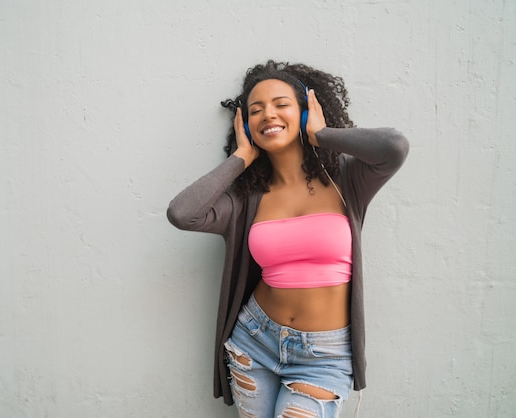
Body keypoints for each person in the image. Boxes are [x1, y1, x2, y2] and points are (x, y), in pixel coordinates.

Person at [166, 60, 409, 418]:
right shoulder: (247, 196)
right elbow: (183, 213)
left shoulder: (347, 178)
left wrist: (321, 134)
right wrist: (241, 157)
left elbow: (394, 146)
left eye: (281, 104)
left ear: (306, 110)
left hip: (325, 356)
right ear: (245, 124)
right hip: (255, 341)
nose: (268, 114)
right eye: (255, 110)